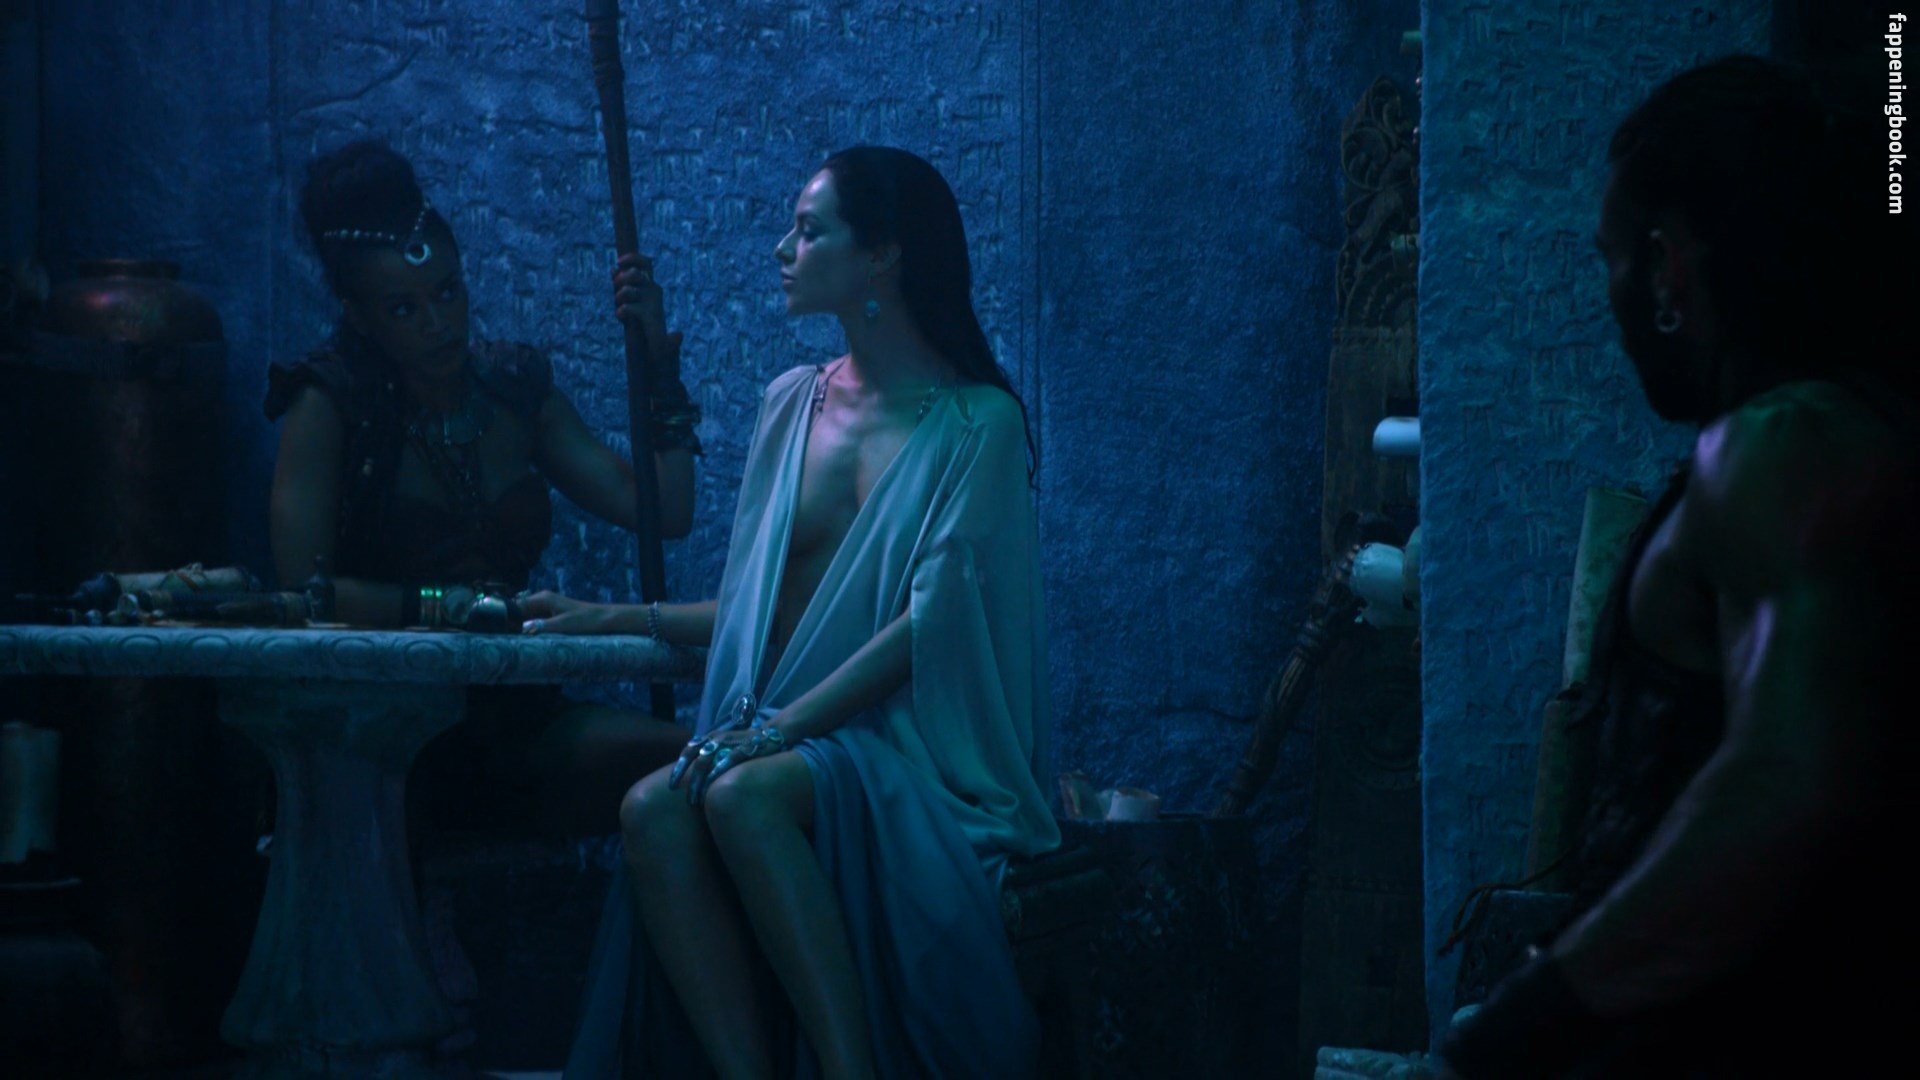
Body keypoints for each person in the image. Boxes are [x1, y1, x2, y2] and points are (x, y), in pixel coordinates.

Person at [526, 145, 1058, 1079]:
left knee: (741, 792)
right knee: (651, 809)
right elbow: (755, 612)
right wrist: (604, 617)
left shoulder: (980, 423)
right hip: (783, 732)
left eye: (809, 231)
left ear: (882, 257)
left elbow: (931, 627)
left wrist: (780, 732)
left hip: (905, 753)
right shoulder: (789, 405)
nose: (783, 249)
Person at [1437, 56, 1914, 1077]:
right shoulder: (1842, 434)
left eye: (1612, 259)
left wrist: (1526, 1019)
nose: (1609, 297)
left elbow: (1785, 782)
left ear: (1667, 269)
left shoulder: (1780, 446)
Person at [265, 139, 697, 834]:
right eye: (403, 309)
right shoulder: (330, 404)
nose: (439, 324)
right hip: (380, 733)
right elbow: (301, 594)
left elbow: (665, 511)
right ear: (358, 313)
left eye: (447, 291)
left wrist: (656, 361)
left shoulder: (511, 390)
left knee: (710, 764)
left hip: (517, 717)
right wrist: (448, 605)